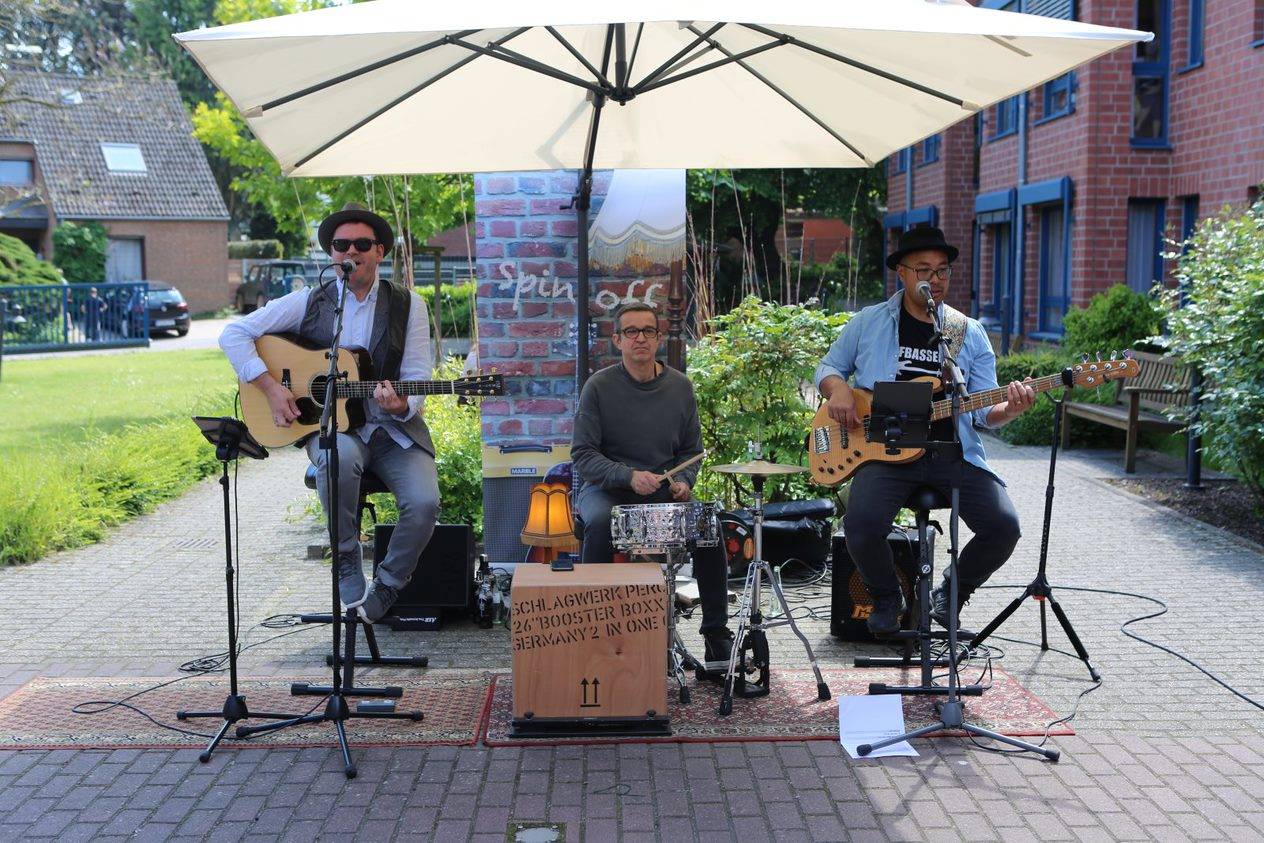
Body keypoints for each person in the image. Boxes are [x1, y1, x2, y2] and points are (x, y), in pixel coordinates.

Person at [220, 203, 439, 623]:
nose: (350, 252)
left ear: (379, 252)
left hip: (392, 430)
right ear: (331, 254)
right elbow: (234, 333)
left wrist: (403, 403)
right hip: (335, 431)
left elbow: (415, 374)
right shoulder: (308, 301)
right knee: (338, 457)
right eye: (341, 245)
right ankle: (345, 556)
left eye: (361, 244)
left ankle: (390, 583)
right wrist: (270, 388)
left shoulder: (409, 305)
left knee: (425, 503)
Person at [815, 226, 1036, 636]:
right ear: (901, 272)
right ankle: (886, 596)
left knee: (1004, 527)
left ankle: (950, 595)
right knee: (860, 526)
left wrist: (1012, 408)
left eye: (942, 271)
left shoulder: (967, 332)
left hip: (953, 453)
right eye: (924, 270)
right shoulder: (869, 322)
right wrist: (839, 389)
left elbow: (985, 411)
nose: (935, 280)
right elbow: (827, 367)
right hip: (885, 449)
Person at [571, 302, 733, 670]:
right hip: (607, 490)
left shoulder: (679, 387)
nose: (640, 338)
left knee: (709, 526)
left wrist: (683, 481)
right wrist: (627, 476)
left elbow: (691, 451)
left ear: (659, 338)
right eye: (631, 331)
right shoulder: (598, 387)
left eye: (648, 331)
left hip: (662, 490)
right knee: (599, 523)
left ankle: (715, 635)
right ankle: (593, 631)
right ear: (617, 340)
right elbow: (583, 455)